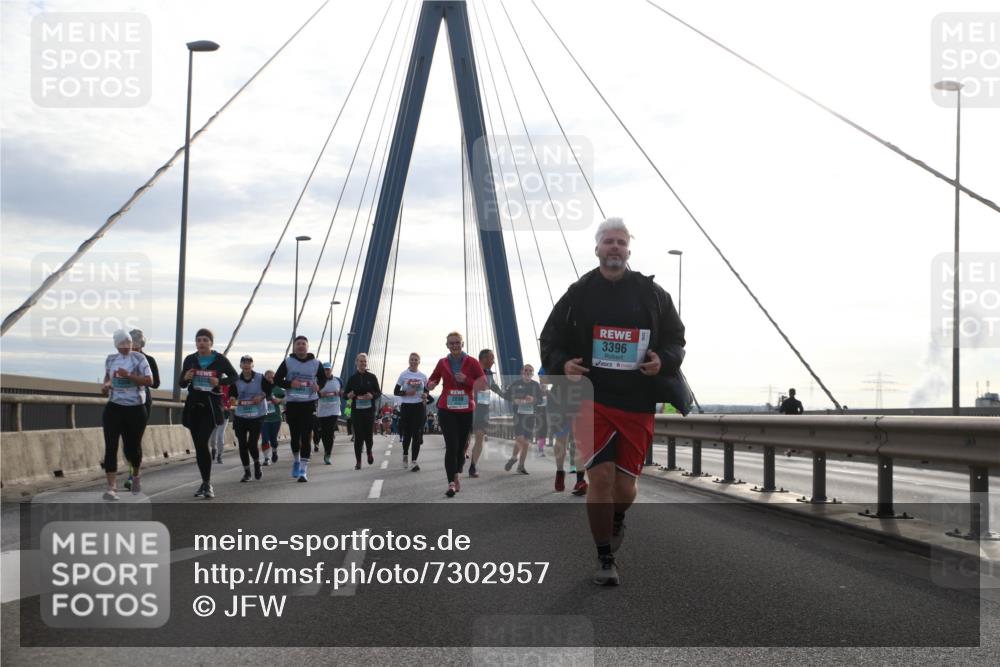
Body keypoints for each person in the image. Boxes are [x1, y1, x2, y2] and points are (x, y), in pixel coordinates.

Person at [540, 217, 685, 586]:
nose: (615, 247)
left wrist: (664, 361)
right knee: (600, 478)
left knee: (624, 489)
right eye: (609, 241)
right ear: (597, 249)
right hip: (592, 399)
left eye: (621, 242)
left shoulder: (652, 295)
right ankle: (604, 556)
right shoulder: (578, 294)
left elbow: (676, 339)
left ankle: (618, 516)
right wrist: (563, 364)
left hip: (637, 401)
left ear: (628, 251)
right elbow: (550, 339)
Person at [179, 328, 238, 499]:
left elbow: (234, 377)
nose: (201, 343)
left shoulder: (219, 359)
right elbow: (181, 384)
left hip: (211, 406)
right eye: (199, 340)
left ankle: (207, 483)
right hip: (193, 406)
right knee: (199, 447)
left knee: (202, 441)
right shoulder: (190, 359)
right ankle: (205, 482)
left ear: (211, 343)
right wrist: (186, 377)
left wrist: (219, 381)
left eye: (205, 340)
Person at [426, 332, 485, 497]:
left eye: (457, 342)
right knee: (451, 446)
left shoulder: (472, 362)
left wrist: (466, 380)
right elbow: (432, 379)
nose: (454, 345)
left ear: (462, 344)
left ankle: (457, 472)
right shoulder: (442, 362)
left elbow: (483, 384)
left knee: (461, 449)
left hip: (466, 411)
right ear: (447, 346)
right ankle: (451, 483)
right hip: (446, 409)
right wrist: (430, 384)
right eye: (451, 343)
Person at [100, 329, 154, 499]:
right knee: (111, 447)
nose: (126, 346)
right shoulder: (111, 359)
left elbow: (149, 381)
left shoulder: (139, 358)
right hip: (114, 407)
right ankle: (111, 487)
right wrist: (106, 385)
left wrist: (129, 375)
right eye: (121, 343)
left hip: (135, 408)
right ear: (116, 345)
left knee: (132, 448)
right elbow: (108, 378)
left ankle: (136, 475)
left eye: (128, 342)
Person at [273, 336, 327, 482]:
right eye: (298, 344)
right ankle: (296, 460)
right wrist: (290, 384)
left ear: (307, 347)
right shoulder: (288, 362)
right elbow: (277, 379)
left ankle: (303, 470)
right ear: (294, 347)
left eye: (303, 344)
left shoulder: (316, 363)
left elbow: (323, 379)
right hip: (293, 403)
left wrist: (319, 386)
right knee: (295, 437)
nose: (301, 346)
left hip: (309, 403)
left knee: (306, 435)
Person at [124, 328, 159, 491]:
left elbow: (156, 383)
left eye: (135, 344)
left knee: (135, 439)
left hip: (142, 403)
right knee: (126, 441)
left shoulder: (149, 360)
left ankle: (133, 476)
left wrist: (138, 379)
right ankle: (132, 472)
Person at [231, 355, 271, 482]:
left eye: (249, 363)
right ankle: (247, 472)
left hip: (257, 415)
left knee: (252, 443)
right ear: (240, 365)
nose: (246, 365)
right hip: (241, 415)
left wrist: (261, 396)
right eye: (244, 362)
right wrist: (232, 399)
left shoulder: (260, 377)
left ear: (252, 365)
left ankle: (257, 463)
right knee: (242, 444)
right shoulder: (236, 379)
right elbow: (232, 394)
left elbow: (269, 391)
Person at [468, 348, 503, 478]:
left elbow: (493, 386)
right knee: (465, 439)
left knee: (480, 436)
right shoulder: (471, 370)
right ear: (484, 359)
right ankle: (461, 455)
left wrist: (506, 395)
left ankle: (473, 466)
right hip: (469, 407)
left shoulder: (489, 373)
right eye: (492, 358)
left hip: (483, 409)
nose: (494, 361)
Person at [502, 364, 541, 475]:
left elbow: (540, 400)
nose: (528, 372)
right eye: (526, 370)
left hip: (530, 416)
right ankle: (514, 457)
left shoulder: (536, 385)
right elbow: (506, 396)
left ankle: (521, 466)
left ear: (532, 373)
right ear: (522, 372)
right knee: (520, 439)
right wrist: (515, 399)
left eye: (530, 371)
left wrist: (533, 399)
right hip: (518, 416)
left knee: (526, 443)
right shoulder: (515, 384)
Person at [344, 352, 381, 469]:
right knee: (358, 436)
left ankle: (369, 451)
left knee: (368, 435)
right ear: (356, 363)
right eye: (361, 361)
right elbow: (345, 395)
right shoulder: (352, 379)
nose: (363, 363)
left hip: (369, 411)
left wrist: (372, 395)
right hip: (357, 411)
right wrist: (349, 395)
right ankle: (358, 462)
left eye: (365, 361)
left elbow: (378, 392)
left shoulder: (372, 377)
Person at [394, 353, 428, 470]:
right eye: (411, 360)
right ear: (409, 361)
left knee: (417, 434)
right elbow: (396, 391)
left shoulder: (423, 376)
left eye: (415, 360)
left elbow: (426, 391)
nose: (413, 362)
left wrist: (425, 395)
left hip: (419, 407)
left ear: (419, 362)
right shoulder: (403, 375)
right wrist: (406, 393)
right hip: (407, 407)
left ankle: (414, 461)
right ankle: (405, 454)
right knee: (407, 434)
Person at [316, 362, 343, 465]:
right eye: (324, 370)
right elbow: (312, 394)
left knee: (330, 432)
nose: (326, 371)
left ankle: (328, 454)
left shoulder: (338, 380)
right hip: (322, 411)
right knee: (324, 433)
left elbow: (343, 392)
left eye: (328, 369)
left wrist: (340, 393)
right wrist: (319, 394)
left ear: (331, 370)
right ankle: (326, 450)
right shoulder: (318, 381)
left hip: (334, 410)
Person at [260, 370, 283, 466]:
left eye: (272, 377)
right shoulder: (260, 389)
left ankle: (274, 451)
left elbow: (286, 398)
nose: (270, 379)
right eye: (268, 377)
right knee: (265, 439)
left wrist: (279, 400)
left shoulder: (277, 389)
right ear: (264, 378)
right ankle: (266, 458)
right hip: (263, 419)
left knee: (273, 439)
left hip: (276, 418)